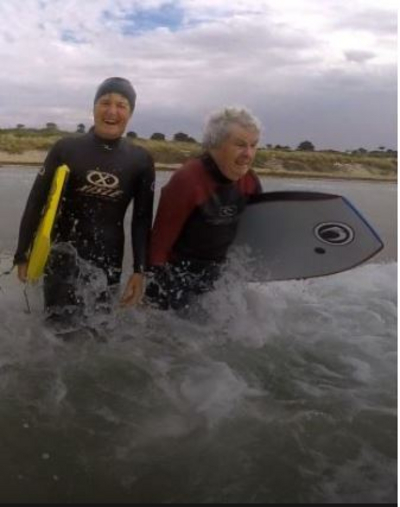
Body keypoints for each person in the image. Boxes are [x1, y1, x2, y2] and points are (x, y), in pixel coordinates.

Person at [14, 77, 155, 320]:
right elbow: (36, 202)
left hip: (108, 261)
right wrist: (22, 253)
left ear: (130, 113)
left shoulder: (140, 160)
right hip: (62, 257)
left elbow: (142, 220)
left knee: (98, 336)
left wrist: (139, 270)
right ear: (94, 107)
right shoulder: (66, 149)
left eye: (121, 105)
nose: (112, 111)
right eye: (105, 102)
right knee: (56, 333)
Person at [145, 106, 262, 311]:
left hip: (220, 274)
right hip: (177, 274)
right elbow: (159, 244)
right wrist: (151, 293)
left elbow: (258, 236)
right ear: (215, 145)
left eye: (254, 145)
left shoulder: (250, 182)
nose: (248, 154)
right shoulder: (188, 180)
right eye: (240, 145)